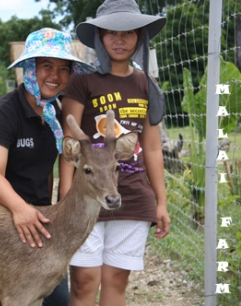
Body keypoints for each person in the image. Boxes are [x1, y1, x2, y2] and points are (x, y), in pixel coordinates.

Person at [58, 1, 171, 305]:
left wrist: (161, 201)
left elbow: (151, 146)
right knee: (84, 281)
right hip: (86, 196)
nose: (119, 40)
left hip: (132, 193)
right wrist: (65, 196)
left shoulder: (147, 84)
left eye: (128, 33)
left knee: (116, 281)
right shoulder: (82, 81)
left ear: (140, 37)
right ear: (99, 37)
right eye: (110, 33)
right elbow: (69, 144)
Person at [0, 28, 95, 306]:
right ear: (29, 67)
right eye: (46, 66)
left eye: (64, 68)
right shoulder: (4, 113)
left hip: (38, 220)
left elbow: (61, 170)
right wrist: (20, 209)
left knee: (57, 300)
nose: (55, 75)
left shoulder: (56, 115)